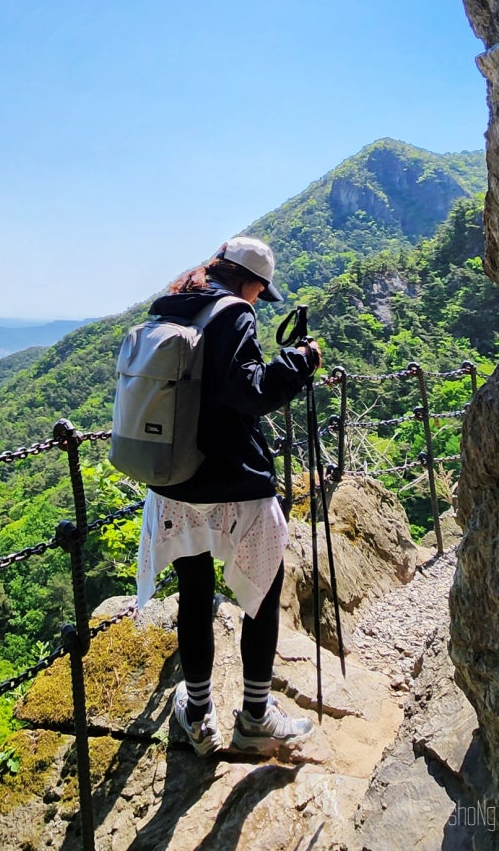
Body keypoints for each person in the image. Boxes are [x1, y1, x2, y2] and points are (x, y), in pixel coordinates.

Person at [136, 235, 321, 757]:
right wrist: (300, 361)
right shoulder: (234, 312)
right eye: (261, 290)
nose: (260, 299)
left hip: (173, 478)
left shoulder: (172, 307)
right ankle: (256, 716)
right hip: (231, 480)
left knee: (193, 594)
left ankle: (198, 715)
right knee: (261, 590)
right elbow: (249, 392)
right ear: (249, 281)